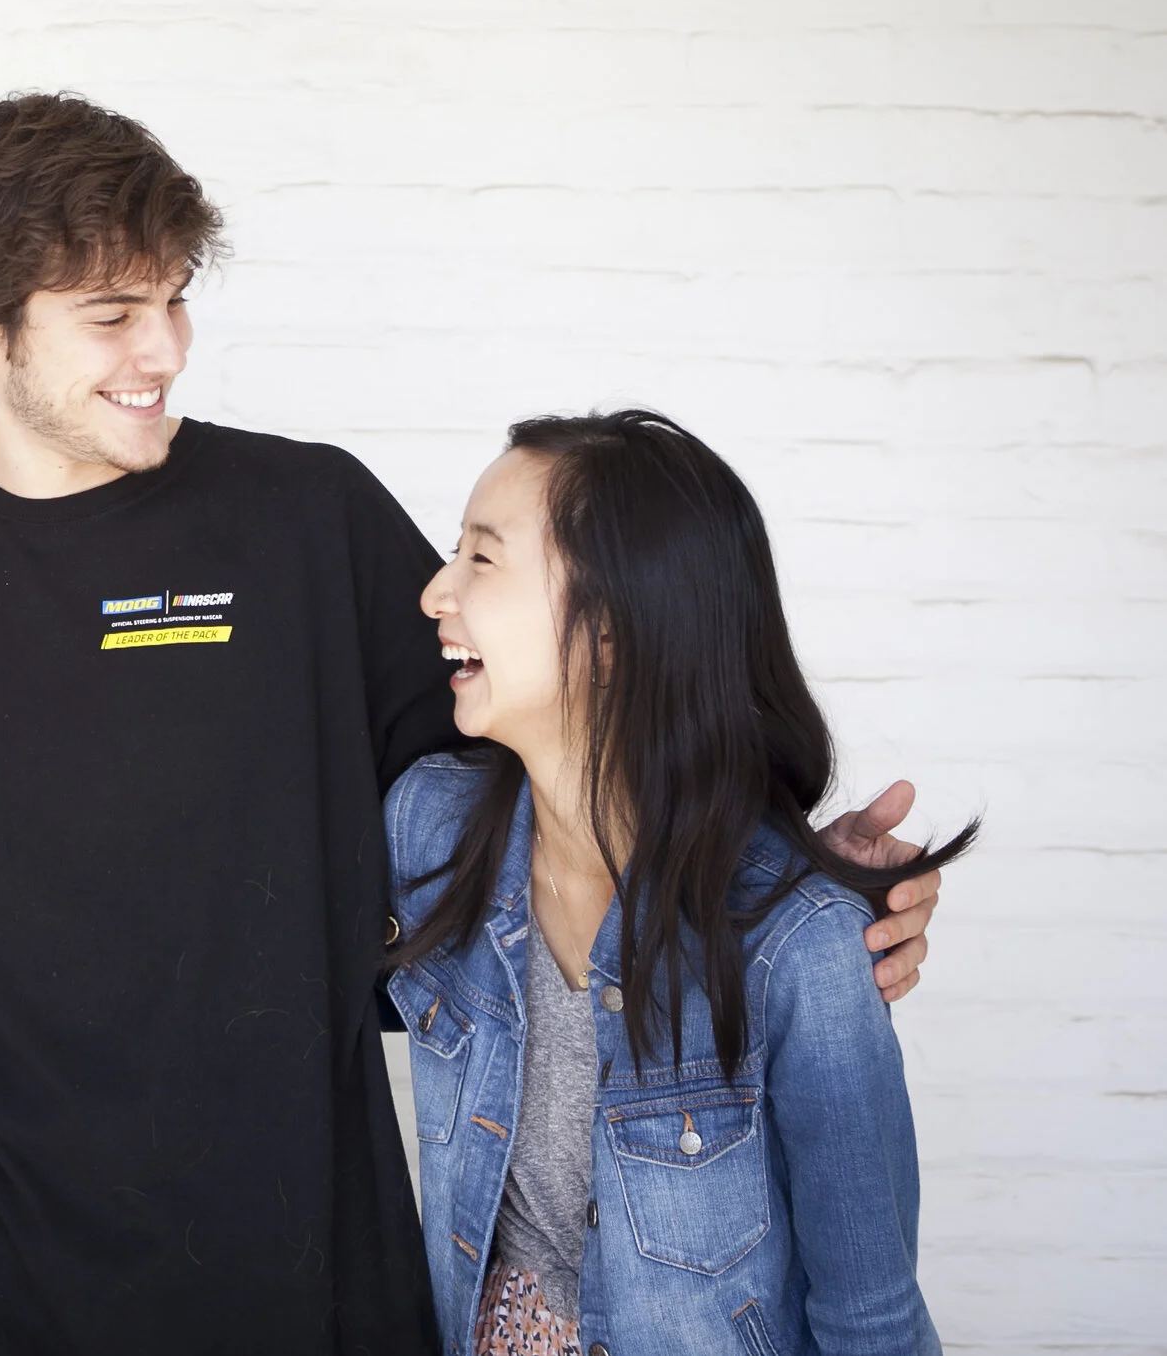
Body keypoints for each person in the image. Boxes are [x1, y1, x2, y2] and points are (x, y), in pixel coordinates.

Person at [0, 93, 950, 1355]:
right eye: (113, 314)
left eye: (175, 296)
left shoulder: (308, 518)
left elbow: (550, 788)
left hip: (314, 1297)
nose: (165, 348)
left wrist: (770, 891)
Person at [389, 409, 970, 1355]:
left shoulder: (798, 947)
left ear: (611, 632)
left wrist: (819, 902)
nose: (434, 592)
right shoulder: (429, 830)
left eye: (482, 559)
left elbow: (871, 1316)